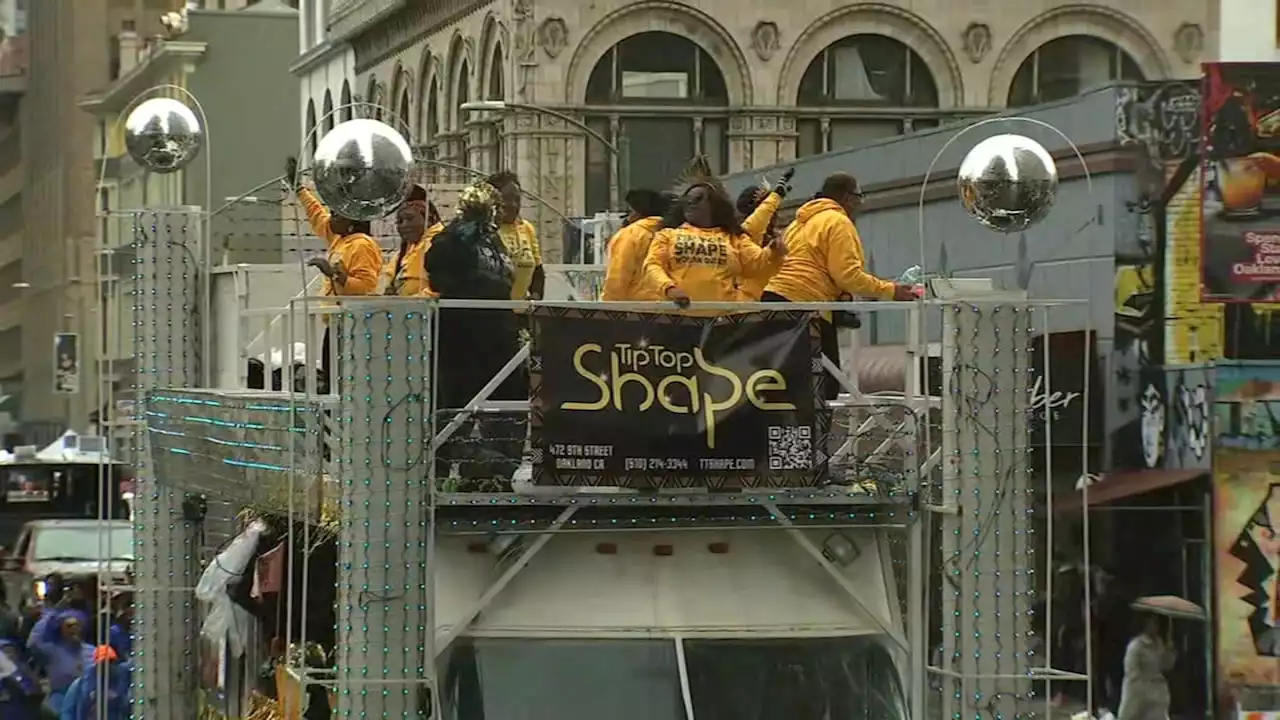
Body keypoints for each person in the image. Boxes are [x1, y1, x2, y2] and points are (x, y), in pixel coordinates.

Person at [763, 172, 916, 396]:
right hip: (805, 309)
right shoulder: (838, 222)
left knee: (782, 388)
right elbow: (847, 275)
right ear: (847, 197)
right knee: (824, 389)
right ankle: (820, 432)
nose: (860, 204)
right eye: (859, 196)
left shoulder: (798, 223)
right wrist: (891, 290)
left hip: (772, 301)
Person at [424, 182, 524, 490]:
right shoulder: (452, 238)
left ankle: (501, 473)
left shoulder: (495, 240)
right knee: (455, 405)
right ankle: (442, 474)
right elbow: (436, 271)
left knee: (507, 403)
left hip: (498, 331)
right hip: (462, 333)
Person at [643, 157, 789, 310]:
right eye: (686, 200)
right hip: (676, 319)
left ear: (714, 205)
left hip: (721, 322)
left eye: (698, 199)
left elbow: (756, 265)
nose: (690, 204)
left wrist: (774, 251)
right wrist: (669, 289)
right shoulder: (666, 235)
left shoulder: (734, 238)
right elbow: (652, 266)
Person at [283, 156, 383, 379]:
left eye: (336, 215)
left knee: (346, 380)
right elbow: (317, 214)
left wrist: (334, 273)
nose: (330, 219)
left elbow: (366, 287)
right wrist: (299, 188)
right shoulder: (340, 239)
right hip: (336, 322)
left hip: (353, 324)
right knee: (332, 378)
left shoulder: (362, 245)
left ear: (350, 222)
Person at [601, 189, 672, 301]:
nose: (627, 217)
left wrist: (608, 304)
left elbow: (618, 276)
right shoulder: (673, 233)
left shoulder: (629, 235)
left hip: (636, 307)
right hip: (670, 304)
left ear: (637, 212)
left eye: (629, 211)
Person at [487, 171, 545, 301]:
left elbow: (537, 272)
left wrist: (535, 297)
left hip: (522, 313)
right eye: (506, 198)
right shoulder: (485, 229)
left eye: (517, 199)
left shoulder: (527, 228)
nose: (513, 204)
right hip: (492, 313)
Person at [27, 610, 93, 716]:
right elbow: (33, 642)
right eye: (69, 626)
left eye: (77, 625)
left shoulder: (92, 651)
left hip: (86, 704)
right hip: (59, 703)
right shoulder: (52, 650)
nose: (74, 629)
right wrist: (51, 615)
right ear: (61, 629)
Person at [733, 177, 790, 300]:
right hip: (749, 303)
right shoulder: (744, 236)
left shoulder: (779, 237)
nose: (775, 214)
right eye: (773, 209)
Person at [383, 184, 443, 297]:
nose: (404, 225)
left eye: (410, 218)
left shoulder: (442, 244)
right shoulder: (406, 249)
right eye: (399, 221)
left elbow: (439, 289)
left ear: (429, 219)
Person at [1117, 612, 1175, 720]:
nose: (1155, 626)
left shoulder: (1159, 643)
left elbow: (1166, 666)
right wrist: (1143, 689)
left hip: (1157, 694)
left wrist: (1170, 651)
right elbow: (1132, 672)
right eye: (1152, 622)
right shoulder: (1136, 646)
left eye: (1156, 623)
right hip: (1138, 693)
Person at [58, 645, 129, 720]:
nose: (108, 666)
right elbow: (70, 710)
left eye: (111, 662)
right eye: (104, 662)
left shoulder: (121, 677)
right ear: (97, 664)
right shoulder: (83, 682)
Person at [0, 640, 40, 720]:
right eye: (4, 652)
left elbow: (33, 692)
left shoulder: (23, 670)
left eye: (10, 651)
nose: (9, 655)